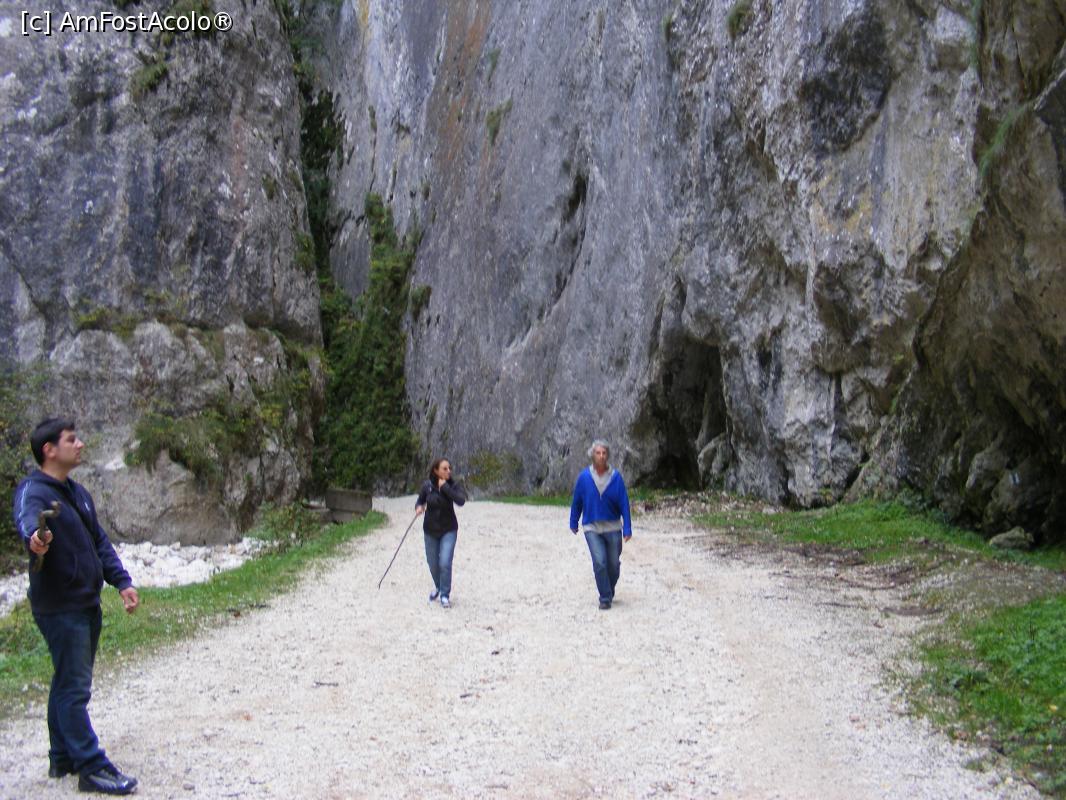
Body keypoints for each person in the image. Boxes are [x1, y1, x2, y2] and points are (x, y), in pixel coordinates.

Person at [12, 418, 140, 795]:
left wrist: (122, 581)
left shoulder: (78, 492)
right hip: (59, 606)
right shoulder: (34, 491)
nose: (80, 444)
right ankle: (91, 766)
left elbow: (98, 541)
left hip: (86, 601)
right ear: (49, 450)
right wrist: (35, 539)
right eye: (72, 440)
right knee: (74, 687)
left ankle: (62, 756)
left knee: (66, 679)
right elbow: (28, 523)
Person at [569, 440, 632, 609]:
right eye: (598, 453)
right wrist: (573, 521)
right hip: (592, 527)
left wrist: (627, 527)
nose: (601, 456)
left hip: (613, 527)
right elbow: (577, 501)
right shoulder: (584, 478)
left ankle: (608, 589)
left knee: (613, 565)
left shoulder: (616, 478)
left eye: (604, 453)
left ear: (607, 456)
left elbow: (624, 503)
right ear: (593, 455)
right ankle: (605, 598)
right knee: (599, 562)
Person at [415, 458, 466, 608]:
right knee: (432, 563)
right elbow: (419, 501)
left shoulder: (453, 485)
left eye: (449, 468)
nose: (449, 471)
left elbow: (461, 501)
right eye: (445, 468)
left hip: (448, 529)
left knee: (444, 562)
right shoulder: (427, 486)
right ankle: (438, 586)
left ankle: (444, 595)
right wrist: (419, 508)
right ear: (436, 471)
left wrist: (445, 488)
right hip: (430, 530)